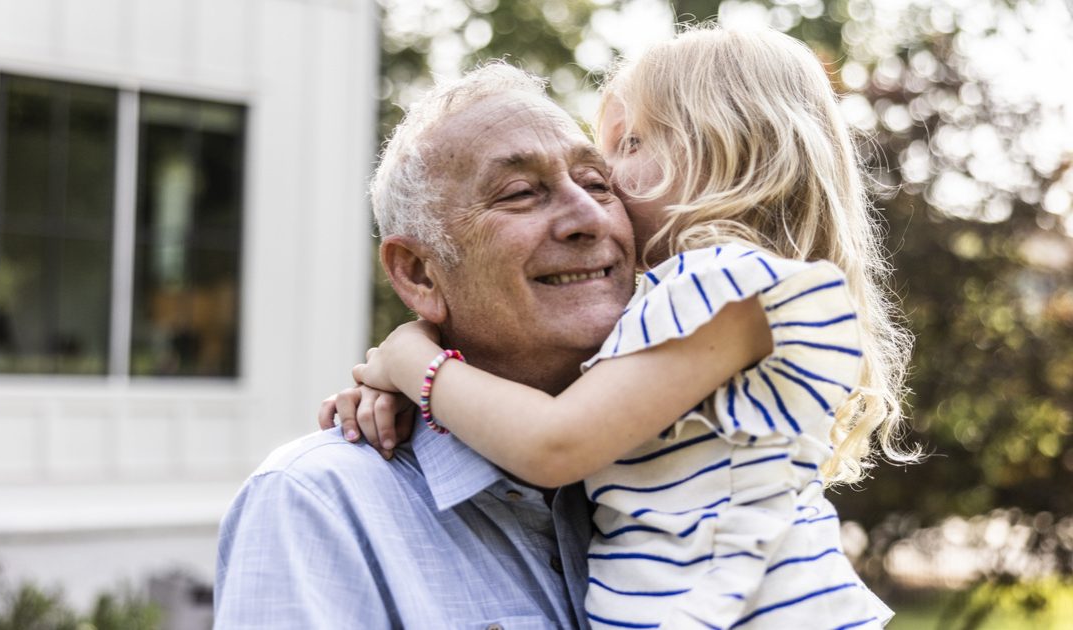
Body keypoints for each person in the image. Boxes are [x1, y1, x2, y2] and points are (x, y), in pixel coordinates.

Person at [342, 26, 913, 629]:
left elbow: (552, 443)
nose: (606, 179)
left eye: (630, 142)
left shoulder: (721, 285)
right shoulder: (689, 297)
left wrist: (409, 359)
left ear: (729, 156)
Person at [213, 63, 637, 628]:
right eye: (519, 193)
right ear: (418, 274)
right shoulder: (318, 506)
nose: (587, 216)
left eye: (597, 183)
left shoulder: (704, 452)